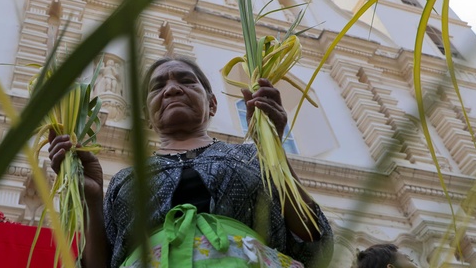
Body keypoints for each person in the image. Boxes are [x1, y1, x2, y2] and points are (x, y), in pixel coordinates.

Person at [49, 56, 334, 268]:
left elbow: (313, 240)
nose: (171, 89)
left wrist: (272, 150)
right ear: (147, 115)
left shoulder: (250, 158)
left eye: (185, 81)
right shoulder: (126, 179)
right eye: (158, 86)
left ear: (212, 103)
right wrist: (93, 197)